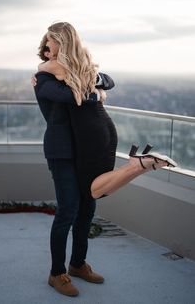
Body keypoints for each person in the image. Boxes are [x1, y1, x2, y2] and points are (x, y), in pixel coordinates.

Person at [32, 22, 177, 297]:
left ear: (65, 45)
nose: (47, 48)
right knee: (67, 211)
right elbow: (75, 98)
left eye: (52, 43)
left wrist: (95, 82)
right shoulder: (44, 79)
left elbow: (108, 79)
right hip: (62, 152)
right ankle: (56, 273)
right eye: (46, 44)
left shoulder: (73, 72)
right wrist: (93, 91)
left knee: (87, 210)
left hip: (84, 150)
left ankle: (77, 264)